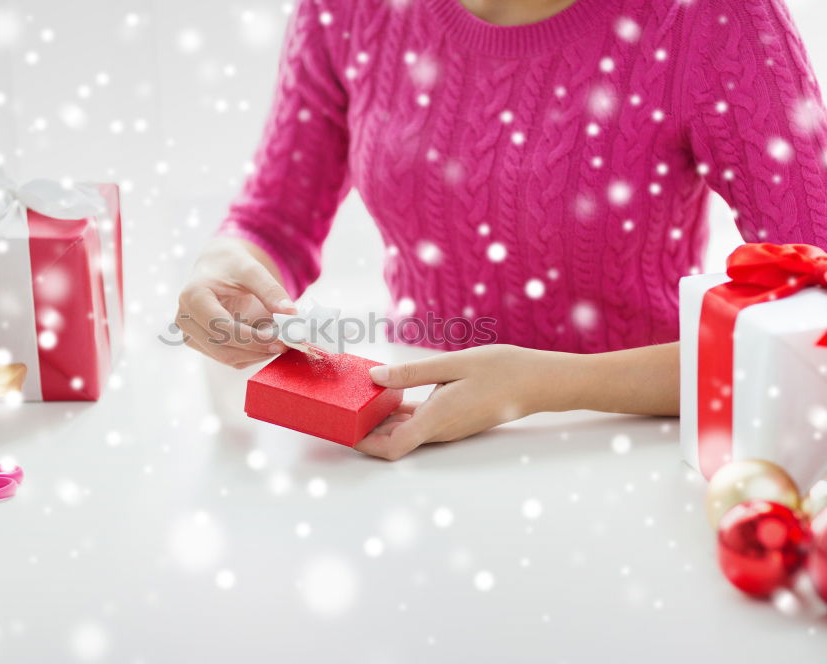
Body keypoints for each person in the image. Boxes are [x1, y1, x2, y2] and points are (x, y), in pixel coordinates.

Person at [177, 0, 827, 460]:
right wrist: (228, 267)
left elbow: (814, 320)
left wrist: (548, 385)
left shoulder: (713, 17)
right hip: (414, 442)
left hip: (635, 448)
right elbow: (275, 222)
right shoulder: (349, 8)